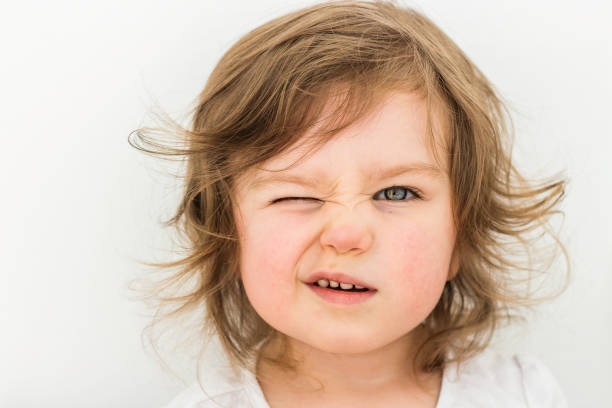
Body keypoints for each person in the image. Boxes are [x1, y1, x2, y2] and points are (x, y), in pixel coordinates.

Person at [129, 1, 569, 406]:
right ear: (226, 235)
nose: (347, 234)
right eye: (297, 195)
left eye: (396, 193)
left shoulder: (524, 396)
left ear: (462, 237)